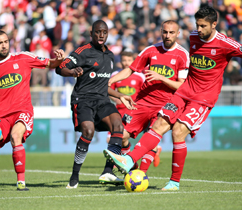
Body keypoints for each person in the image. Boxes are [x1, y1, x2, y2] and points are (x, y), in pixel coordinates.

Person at [103, 6, 242, 191]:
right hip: (184, 92)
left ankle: (174, 182)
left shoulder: (226, 43)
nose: (198, 30)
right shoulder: (193, 37)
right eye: (197, 25)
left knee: (178, 132)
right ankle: (129, 160)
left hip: (203, 98)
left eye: (203, 26)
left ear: (214, 24)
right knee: (160, 125)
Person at [103, 20, 189, 179]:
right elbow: (131, 69)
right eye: (165, 32)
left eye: (171, 32)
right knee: (121, 136)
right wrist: (110, 81)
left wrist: (161, 78)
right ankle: (132, 169)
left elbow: (182, 86)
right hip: (142, 102)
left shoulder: (182, 55)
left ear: (178, 34)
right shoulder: (150, 50)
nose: (167, 35)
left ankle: (141, 174)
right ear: (161, 32)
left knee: (151, 138)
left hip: (165, 105)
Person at [55, 20, 136, 189]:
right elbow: (60, 68)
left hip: (102, 100)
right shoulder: (82, 51)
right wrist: (72, 71)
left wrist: (121, 95)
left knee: (117, 124)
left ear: (108, 34)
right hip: (82, 100)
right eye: (97, 32)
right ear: (91, 33)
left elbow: (103, 86)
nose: (101, 35)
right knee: (88, 132)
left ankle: (108, 171)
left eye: (104, 32)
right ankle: (75, 175)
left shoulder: (111, 55)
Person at [0, 30, 64, 191]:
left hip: (22, 112)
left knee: (15, 135)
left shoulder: (24, 57)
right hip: (2, 116)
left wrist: (59, 60)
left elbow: (50, 64)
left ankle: (21, 181)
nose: (4, 45)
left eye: (5, 41)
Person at [99, 50, 145, 185]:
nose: (126, 63)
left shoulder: (140, 76)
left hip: (134, 112)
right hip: (118, 113)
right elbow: (108, 90)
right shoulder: (115, 75)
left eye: (129, 60)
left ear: (134, 61)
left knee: (123, 138)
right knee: (116, 138)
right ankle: (125, 163)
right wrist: (116, 98)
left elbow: (144, 92)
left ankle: (125, 162)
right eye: (124, 60)